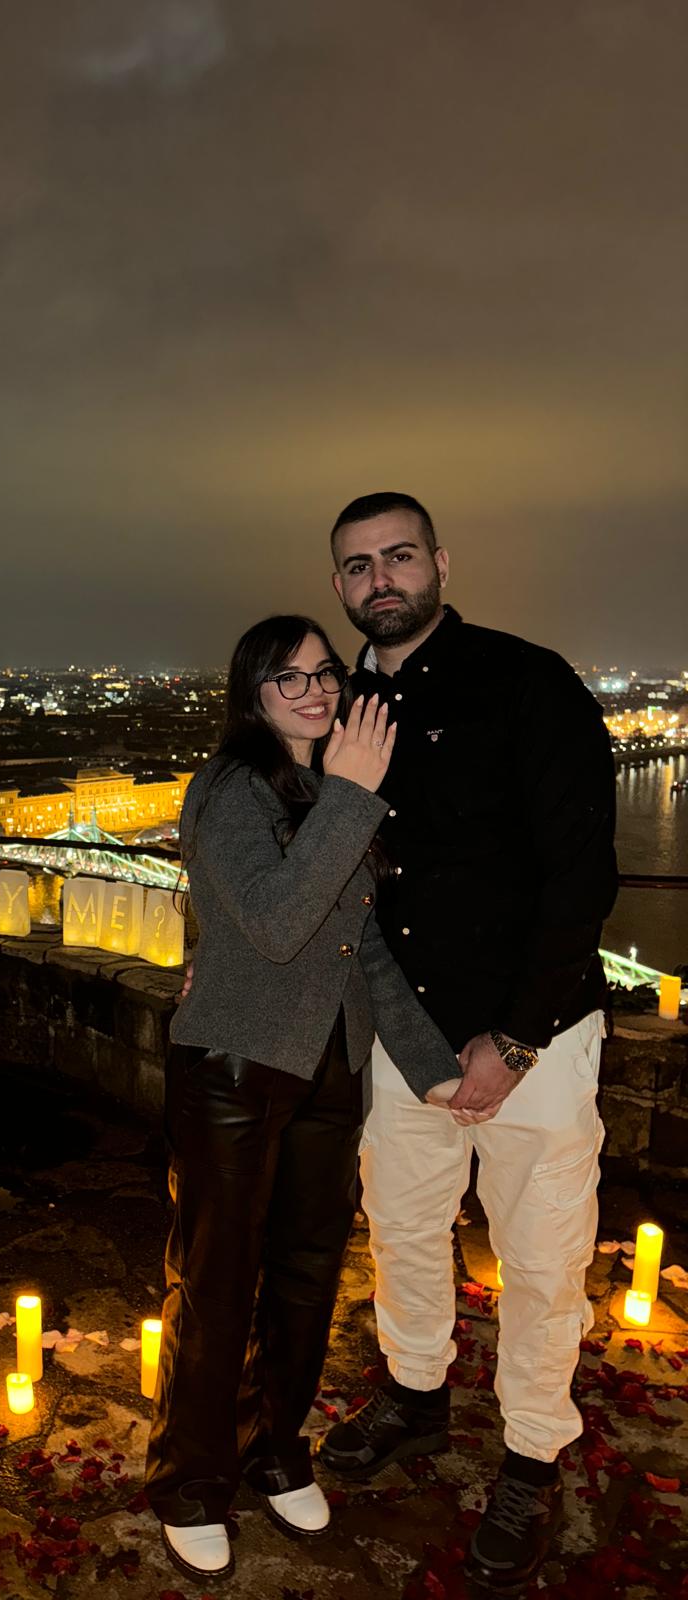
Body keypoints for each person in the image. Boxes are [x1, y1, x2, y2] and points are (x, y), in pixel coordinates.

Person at [317, 493, 618, 1593]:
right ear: (339, 583)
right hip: (403, 1028)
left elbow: (580, 876)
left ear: (438, 560)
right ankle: (416, 1389)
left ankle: (535, 1450)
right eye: (357, 566)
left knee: (541, 1256)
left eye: (398, 556)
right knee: (401, 1224)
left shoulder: (526, 682)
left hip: (527, 1033)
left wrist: (518, 1036)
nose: (380, 579)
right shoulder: (339, 704)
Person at [147, 613, 462, 1584]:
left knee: (306, 1273)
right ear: (252, 694)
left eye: (326, 672)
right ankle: (190, 1480)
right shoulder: (229, 789)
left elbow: (356, 948)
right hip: (237, 1068)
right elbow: (280, 923)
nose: (317, 690)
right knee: (218, 1280)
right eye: (291, 679)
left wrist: (431, 1059)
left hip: (330, 1066)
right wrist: (356, 797)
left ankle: (274, 1445)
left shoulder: (327, 791)